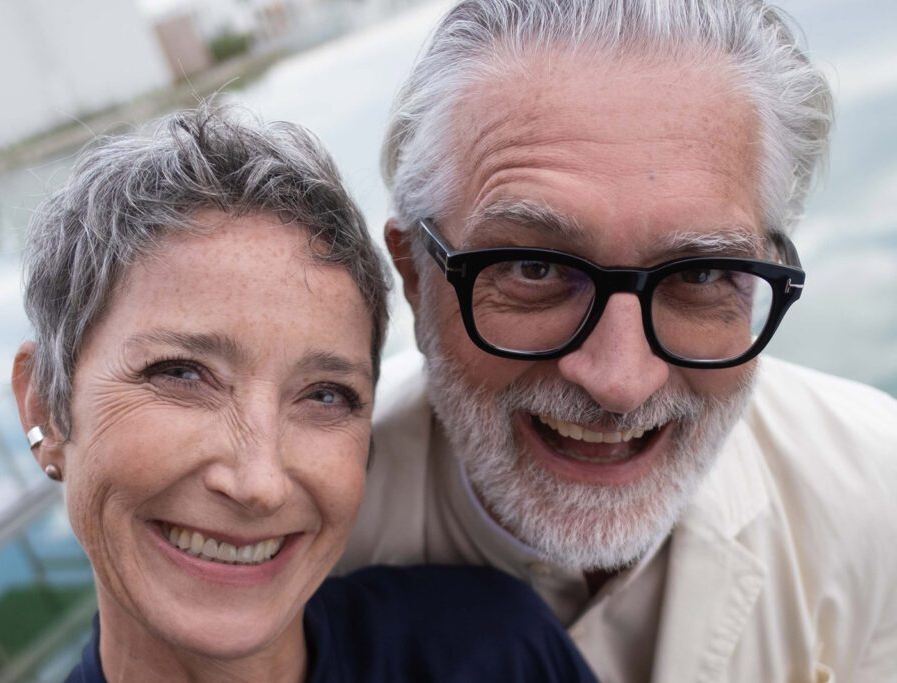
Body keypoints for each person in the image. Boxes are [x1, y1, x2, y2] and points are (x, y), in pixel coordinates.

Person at [337, 0, 897, 681]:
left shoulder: (876, 494)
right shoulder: (301, 543)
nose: (619, 379)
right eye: (534, 268)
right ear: (416, 278)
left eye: (702, 272)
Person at [10, 103, 598, 682]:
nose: (259, 484)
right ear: (44, 406)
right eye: (181, 374)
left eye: (325, 396)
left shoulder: (498, 649)